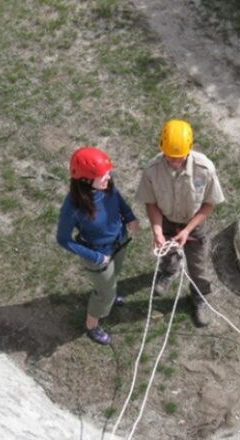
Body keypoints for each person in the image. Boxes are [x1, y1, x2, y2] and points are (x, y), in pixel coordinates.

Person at [135, 119, 225, 327]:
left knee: (198, 266)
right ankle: (169, 271)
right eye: (169, 157)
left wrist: (188, 230)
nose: (174, 163)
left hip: (194, 225)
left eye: (179, 158)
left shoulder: (205, 169)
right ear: (161, 148)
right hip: (165, 221)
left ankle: (199, 297)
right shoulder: (152, 170)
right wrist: (157, 231)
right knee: (167, 253)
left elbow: (208, 205)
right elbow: (151, 204)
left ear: (190, 149)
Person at [56, 146, 139, 345]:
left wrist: (129, 216)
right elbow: (63, 239)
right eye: (103, 176)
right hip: (98, 254)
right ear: (85, 180)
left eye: (108, 173)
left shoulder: (107, 187)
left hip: (119, 242)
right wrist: (95, 257)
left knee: (114, 276)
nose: (108, 178)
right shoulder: (72, 207)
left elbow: (118, 199)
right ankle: (92, 326)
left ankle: (110, 292)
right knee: (104, 294)